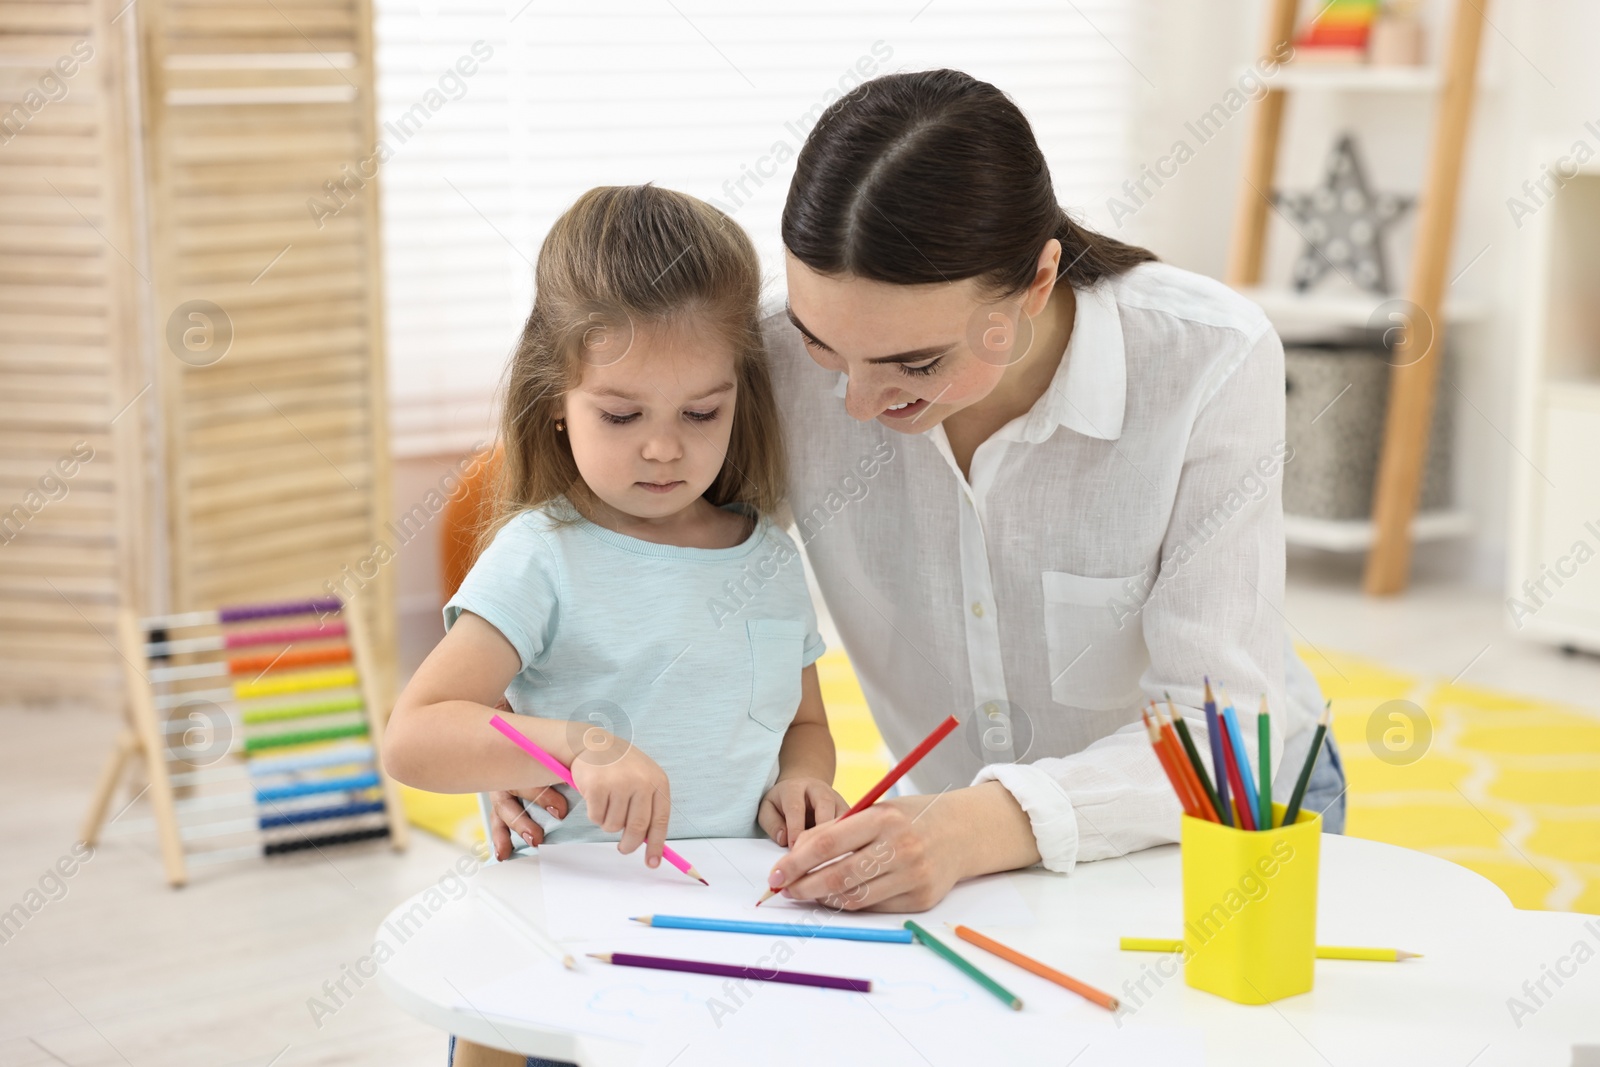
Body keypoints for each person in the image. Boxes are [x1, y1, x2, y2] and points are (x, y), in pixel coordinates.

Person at [487, 69, 1345, 919]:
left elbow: (1220, 732)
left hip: (1215, 824)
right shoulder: (776, 360)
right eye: (826, 346)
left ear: (1038, 283)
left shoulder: (1208, 356)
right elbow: (637, 562)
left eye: (917, 364)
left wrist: (977, 826)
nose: (856, 403)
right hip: (950, 852)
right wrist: (522, 745)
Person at [381, 186, 848, 1067]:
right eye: (622, 415)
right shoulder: (542, 554)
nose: (664, 449)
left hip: (727, 942)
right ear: (557, 397)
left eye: (701, 412)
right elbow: (415, 737)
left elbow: (807, 724)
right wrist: (577, 746)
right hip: (565, 943)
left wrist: (803, 781)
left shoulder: (770, 559)